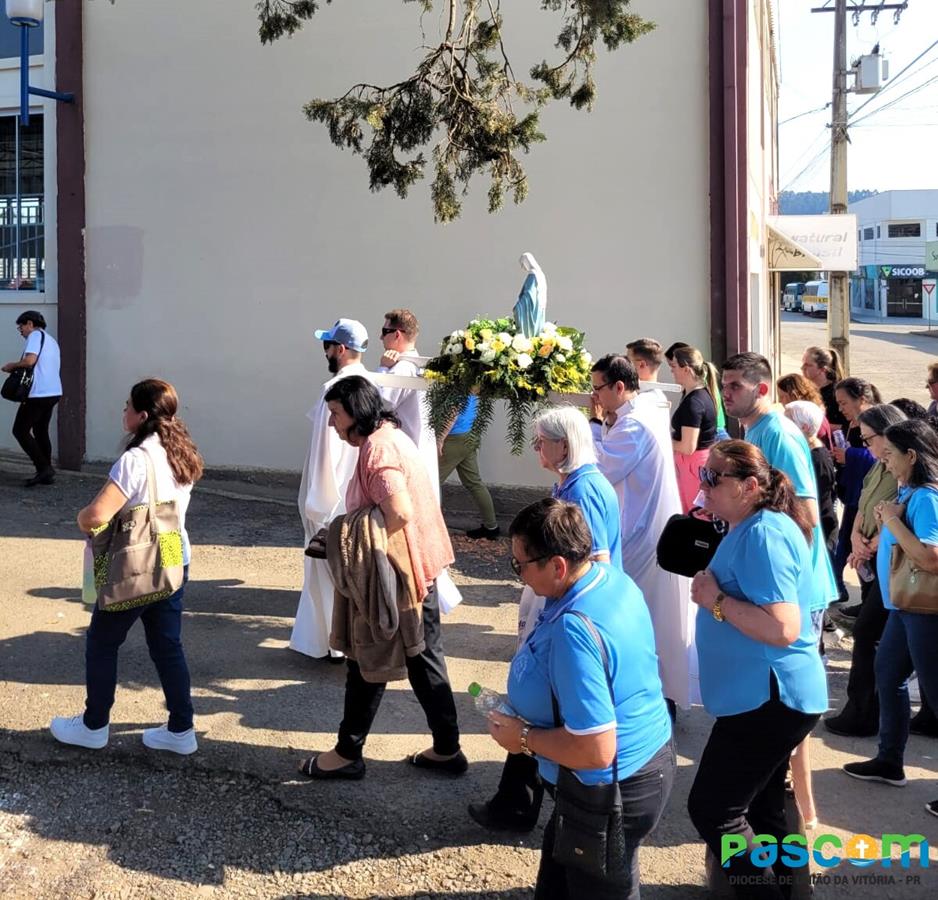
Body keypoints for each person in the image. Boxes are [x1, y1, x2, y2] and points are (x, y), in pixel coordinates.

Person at [488, 498, 674, 899]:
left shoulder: (576, 631)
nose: (518, 575)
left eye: (521, 565)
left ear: (558, 566)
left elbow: (595, 749)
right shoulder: (609, 578)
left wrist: (522, 739)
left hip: (609, 792)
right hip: (638, 768)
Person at [299, 375, 465, 780]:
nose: (332, 423)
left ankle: (347, 753)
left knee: (368, 657)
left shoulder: (377, 450)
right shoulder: (391, 435)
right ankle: (447, 749)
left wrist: (345, 536)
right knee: (422, 658)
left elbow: (400, 511)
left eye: (336, 414)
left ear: (356, 411)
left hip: (400, 573)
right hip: (417, 564)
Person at [469, 406, 623, 834]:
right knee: (540, 705)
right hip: (561, 610)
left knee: (546, 708)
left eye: (541, 441)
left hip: (571, 614)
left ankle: (525, 807)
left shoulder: (585, 488)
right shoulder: (574, 482)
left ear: (564, 444)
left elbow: (593, 560)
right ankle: (516, 803)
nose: (536, 448)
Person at [687, 441, 827, 897]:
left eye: (714, 477)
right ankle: (790, 891)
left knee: (715, 809)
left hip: (769, 698)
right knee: (763, 808)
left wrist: (715, 602)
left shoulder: (764, 533)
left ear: (750, 486)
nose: (703, 484)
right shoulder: (751, 524)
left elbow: (783, 627)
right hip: (765, 694)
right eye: (704, 474)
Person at [50, 379, 203, 754]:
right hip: (172, 551)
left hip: (137, 559)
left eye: (127, 407)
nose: (123, 412)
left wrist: (81, 518)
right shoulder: (180, 451)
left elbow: (96, 516)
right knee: (167, 646)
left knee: (103, 642)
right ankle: (181, 729)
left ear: (143, 415)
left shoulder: (134, 461)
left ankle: (94, 725)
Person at [589, 354, 698, 713]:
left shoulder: (634, 424)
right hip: (644, 524)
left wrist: (590, 423)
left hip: (641, 532)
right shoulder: (643, 409)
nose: (595, 396)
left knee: (640, 615)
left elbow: (604, 466)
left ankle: (650, 697)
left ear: (620, 387)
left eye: (599, 389)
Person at [843, 419, 938, 817]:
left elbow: (931, 557)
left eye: (890, 455)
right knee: (888, 674)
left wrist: (891, 520)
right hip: (903, 606)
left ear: (912, 456)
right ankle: (889, 760)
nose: (885, 462)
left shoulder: (926, 497)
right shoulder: (909, 491)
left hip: (924, 610)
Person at [292, 319, 372, 662]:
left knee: (326, 572)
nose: (324, 351)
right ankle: (340, 641)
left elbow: (327, 452)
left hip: (332, 496)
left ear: (339, 349)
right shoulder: (372, 383)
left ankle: (327, 641)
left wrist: (317, 502)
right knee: (348, 572)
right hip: (355, 493)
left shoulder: (337, 389)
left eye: (327, 344)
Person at [824, 404, 906, 737]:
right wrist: (858, 537)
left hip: (890, 564)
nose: (865, 444)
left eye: (869, 437)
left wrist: (869, 546)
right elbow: (862, 504)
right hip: (873, 559)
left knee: (870, 636)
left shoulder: (905, 470)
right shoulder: (880, 465)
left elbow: (900, 514)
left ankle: (864, 714)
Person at [377, 308, 440, 499]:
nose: (380, 337)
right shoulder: (418, 364)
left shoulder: (403, 368)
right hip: (418, 447)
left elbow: (380, 404)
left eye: (384, 331)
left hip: (405, 451)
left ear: (397, 334)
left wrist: (382, 368)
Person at [830, 377, 880, 603]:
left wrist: (849, 455)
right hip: (854, 497)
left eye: (844, 403)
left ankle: (868, 604)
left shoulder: (878, 423)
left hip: (871, 501)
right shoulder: (852, 424)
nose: (841, 409)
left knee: (864, 552)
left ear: (861, 400)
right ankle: (856, 597)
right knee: (850, 545)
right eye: (838, 404)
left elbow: (880, 459)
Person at [2, 310, 62, 486]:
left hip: (38, 394)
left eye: (21, 326)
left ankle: (43, 468)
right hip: (53, 392)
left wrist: (12, 366)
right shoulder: (51, 341)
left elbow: (30, 361)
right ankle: (46, 472)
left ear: (30, 323)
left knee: (19, 430)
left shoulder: (35, 336)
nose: (20, 330)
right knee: (40, 430)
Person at [437, 393, 499, 539]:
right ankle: (491, 527)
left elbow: (453, 412)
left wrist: (440, 439)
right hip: (469, 434)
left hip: (454, 438)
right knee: (474, 483)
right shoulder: (472, 381)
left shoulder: (458, 385)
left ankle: (426, 527)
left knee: (430, 482)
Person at [667, 345, 720, 512]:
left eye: (674, 366)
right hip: (695, 465)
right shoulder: (699, 395)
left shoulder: (694, 402)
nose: (672, 371)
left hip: (693, 467)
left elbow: (687, 446)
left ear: (686, 369)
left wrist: (662, 439)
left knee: (696, 514)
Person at [784, 400, 837, 548]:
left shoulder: (817, 459)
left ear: (804, 427)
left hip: (820, 535)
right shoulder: (807, 452)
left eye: (787, 422)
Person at [776, 372, 834, 451]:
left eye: (782, 396)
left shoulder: (810, 419)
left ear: (794, 395)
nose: (779, 400)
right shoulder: (813, 414)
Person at [801, 345, 848, 431]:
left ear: (823, 369)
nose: (802, 368)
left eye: (807, 365)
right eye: (803, 364)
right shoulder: (804, 390)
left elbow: (847, 427)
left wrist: (816, 426)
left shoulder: (837, 393)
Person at [514, 252, 547, 338]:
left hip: (532, 307)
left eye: (522, 264)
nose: (522, 267)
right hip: (539, 307)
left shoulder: (533, 275)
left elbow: (530, 293)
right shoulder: (540, 274)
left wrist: (519, 305)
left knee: (529, 331)